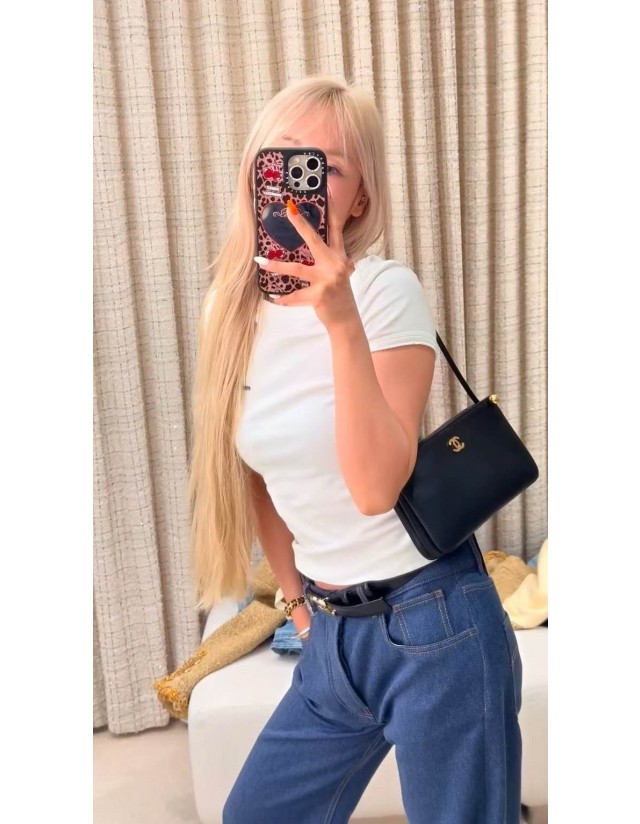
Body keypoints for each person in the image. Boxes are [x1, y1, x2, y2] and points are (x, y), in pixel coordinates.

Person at [188, 75, 522, 824]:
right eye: (281, 159)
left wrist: (339, 322)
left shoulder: (382, 292)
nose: (297, 182)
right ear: (255, 172)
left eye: (325, 167)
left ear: (358, 198)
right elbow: (257, 479)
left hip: (434, 622)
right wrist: (301, 611)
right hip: (332, 634)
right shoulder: (229, 314)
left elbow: (375, 488)